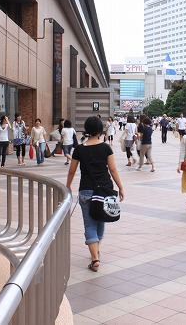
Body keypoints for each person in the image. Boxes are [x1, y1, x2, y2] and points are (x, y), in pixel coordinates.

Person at [66, 116, 125, 273]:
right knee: (101, 220)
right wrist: (121, 187)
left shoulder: (79, 149)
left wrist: (68, 185)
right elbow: (113, 170)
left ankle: (95, 258)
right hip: (105, 190)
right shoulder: (106, 148)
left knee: (89, 223)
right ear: (100, 130)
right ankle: (96, 252)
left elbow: (72, 170)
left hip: (86, 191)